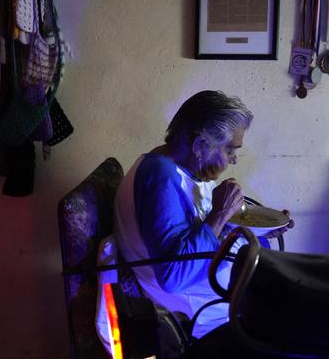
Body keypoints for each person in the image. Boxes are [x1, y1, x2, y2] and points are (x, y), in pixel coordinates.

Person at [112, 90, 287, 340]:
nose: (233, 160)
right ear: (200, 145)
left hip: (219, 295)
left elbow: (194, 231)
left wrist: (260, 227)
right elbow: (173, 277)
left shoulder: (178, 167)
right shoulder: (160, 177)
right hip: (201, 313)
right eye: (229, 150)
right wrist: (220, 213)